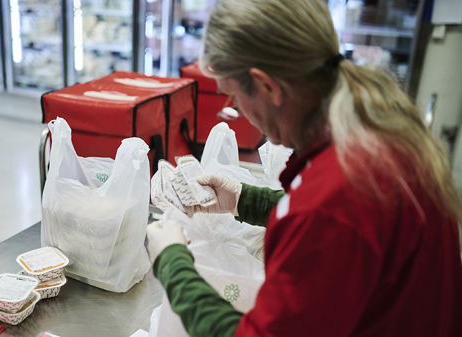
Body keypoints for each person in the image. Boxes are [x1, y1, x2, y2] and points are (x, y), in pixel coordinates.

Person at [145, 0, 462, 336]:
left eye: (234, 97)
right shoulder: (380, 131)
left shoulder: (333, 199)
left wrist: (172, 261)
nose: (236, 109)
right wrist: (242, 199)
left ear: (267, 86)